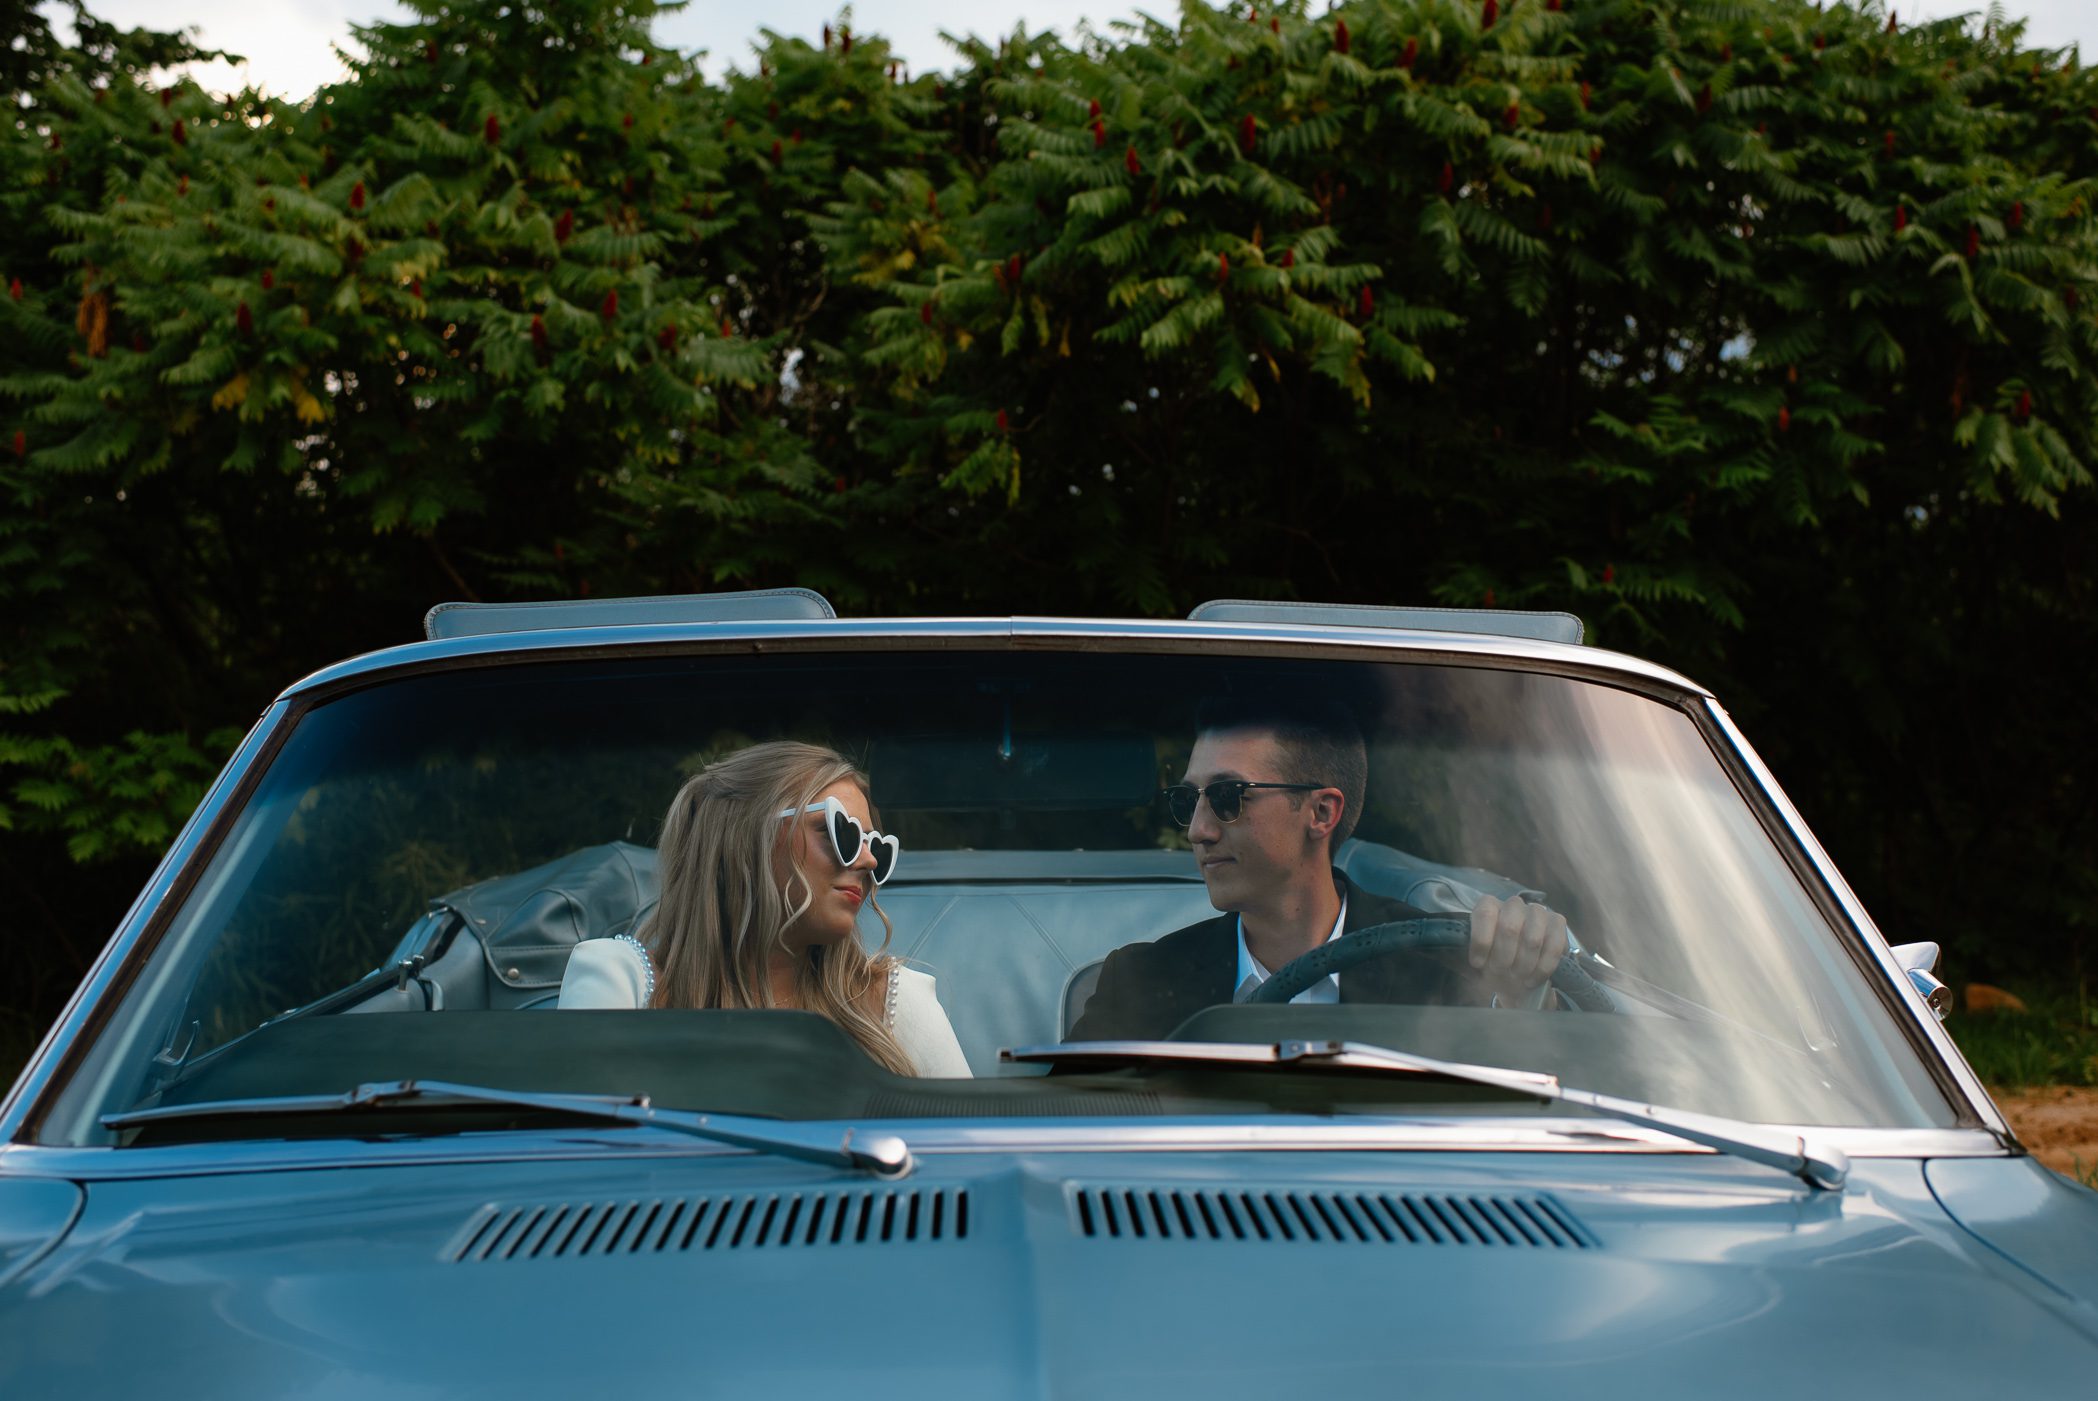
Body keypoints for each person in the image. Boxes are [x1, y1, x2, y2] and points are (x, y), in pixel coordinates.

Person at [1066, 697, 1566, 1042]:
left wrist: (1527, 992)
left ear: (1321, 813)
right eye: (1187, 799)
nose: (1198, 830)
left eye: (1226, 796)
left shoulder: (1442, 969)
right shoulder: (1139, 981)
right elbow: (1063, 1132)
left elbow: (1526, 1126)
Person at [558, 740, 971, 1077]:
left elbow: (973, 1150)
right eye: (840, 831)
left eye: (874, 844)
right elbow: (575, 1159)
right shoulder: (622, 983)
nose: (868, 862)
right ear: (744, 838)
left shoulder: (895, 1001)